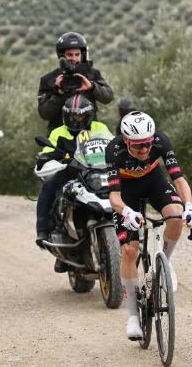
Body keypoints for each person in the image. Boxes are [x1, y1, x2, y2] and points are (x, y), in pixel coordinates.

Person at [105, 111, 192, 340]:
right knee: (129, 249)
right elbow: (114, 197)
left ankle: (164, 264)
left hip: (153, 182)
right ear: (126, 140)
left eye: (147, 144)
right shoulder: (114, 150)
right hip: (126, 192)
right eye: (138, 146)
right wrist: (127, 211)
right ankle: (132, 316)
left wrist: (189, 207)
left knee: (176, 216)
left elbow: (179, 179)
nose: (145, 150)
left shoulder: (161, 141)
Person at [35, 95, 112, 271]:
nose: (75, 119)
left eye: (79, 116)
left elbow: (113, 144)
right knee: (49, 186)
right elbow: (49, 149)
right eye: (71, 116)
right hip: (70, 173)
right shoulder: (58, 132)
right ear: (65, 116)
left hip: (97, 171)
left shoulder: (100, 128)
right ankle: (44, 230)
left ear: (89, 115)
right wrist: (46, 157)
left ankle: (133, 225)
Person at [37, 32, 113, 132]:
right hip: (61, 137)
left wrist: (92, 86)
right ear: (61, 56)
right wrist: (58, 92)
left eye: (77, 54)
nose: (74, 58)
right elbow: (44, 113)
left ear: (82, 55)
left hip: (89, 134)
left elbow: (108, 97)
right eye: (69, 55)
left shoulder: (92, 74)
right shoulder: (48, 79)